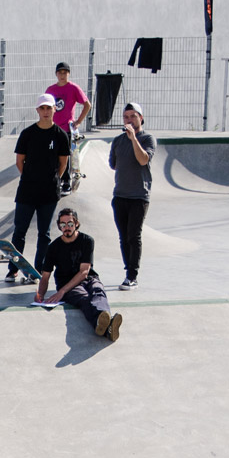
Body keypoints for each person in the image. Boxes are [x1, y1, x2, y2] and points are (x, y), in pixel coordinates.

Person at [8, 95, 69, 283]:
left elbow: (63, 163)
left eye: (49, 108)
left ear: (54, 110)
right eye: (42, 108)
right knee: (20, 230)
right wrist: (29, 177)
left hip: (49, 192)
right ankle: (13, 269)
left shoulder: (60, 135)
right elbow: (20, 161)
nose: (45, 112)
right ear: (37, 111)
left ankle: (39, 269)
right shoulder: (28, 133)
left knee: (44, 233)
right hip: (27, 190)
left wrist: (51, 180)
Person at [37, 207, 121, 343]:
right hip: (67, 283)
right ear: (59, 226)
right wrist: (40, 295)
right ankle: (107, 327)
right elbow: (45, 276)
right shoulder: (53, 247)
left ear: (76, 223)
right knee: (84, 298)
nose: (67, 228)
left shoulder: (87, 241)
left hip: (88, 277)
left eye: (70, 224)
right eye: (63, 225)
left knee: (98, 291)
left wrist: (61, 292)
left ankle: (104, 322)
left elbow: (84, 272)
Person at [108, 102, 155, 290]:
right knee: (123, 236)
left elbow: (143, 159)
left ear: (141, 118)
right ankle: (127, 270)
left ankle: (132, 275)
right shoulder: (118, 141)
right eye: (126, 116)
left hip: (139, 196)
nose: (129, 120)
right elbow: (114, 164)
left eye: (133, 116)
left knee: (133, 236)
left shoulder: (147, 138)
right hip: (120, 195)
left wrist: (133, 138)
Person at [46, 61, 91, 192]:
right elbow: (45, 107)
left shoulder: (73, 88)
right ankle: (56, 179)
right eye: (60, 73)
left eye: (65, 73)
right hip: (53, 127)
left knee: (65, 155)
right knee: (53, 154)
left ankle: (66, 181)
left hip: (66, 128)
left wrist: (78, 121)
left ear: (68, 74)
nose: (62, 75)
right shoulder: (51, 90)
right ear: (56, 74)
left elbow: (87, 104)